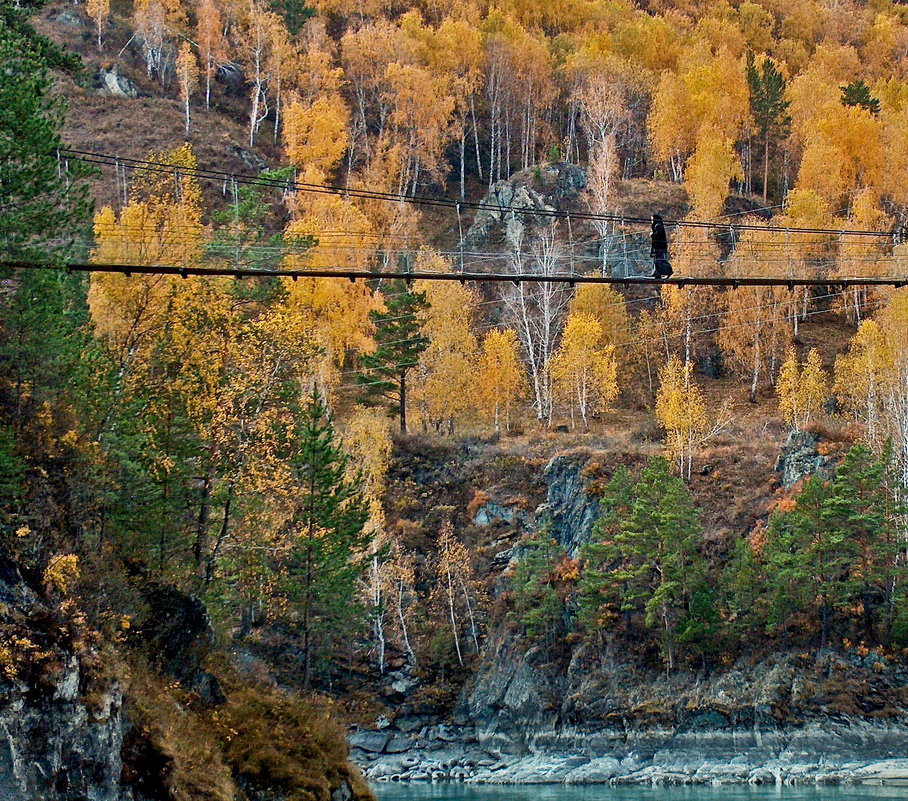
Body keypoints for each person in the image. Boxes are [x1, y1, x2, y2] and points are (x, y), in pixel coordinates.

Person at [649, 213, 673, 279]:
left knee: (659, 260)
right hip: (659, 246)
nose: (651, 221)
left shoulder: (658, 226)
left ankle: (669, 271)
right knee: (657, 260)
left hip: (659, 247)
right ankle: (657, 274)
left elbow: (657, 235)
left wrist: (652, 234)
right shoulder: (658, 225)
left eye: (652, 219)